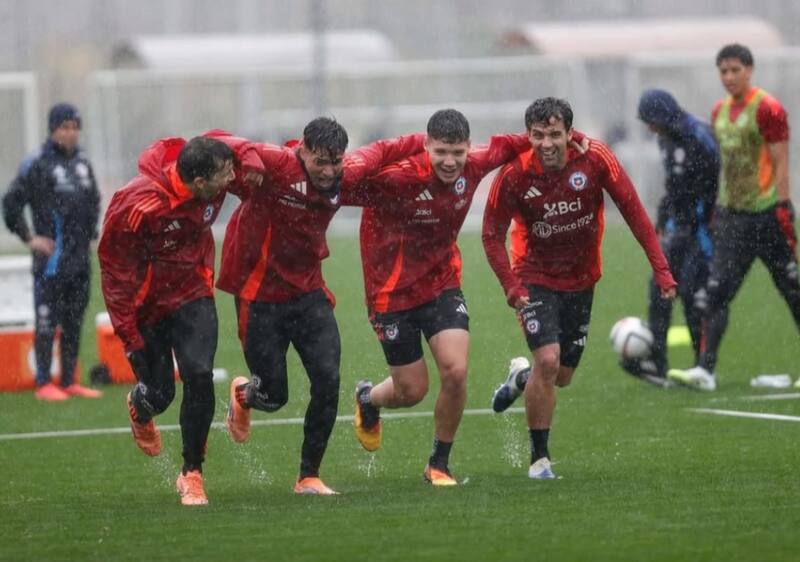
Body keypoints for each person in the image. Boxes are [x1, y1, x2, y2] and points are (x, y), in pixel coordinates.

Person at [345, 108, 575, 486]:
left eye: (457, 153)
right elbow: (339, 185)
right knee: (411, 390)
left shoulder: (476, 164)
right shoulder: (397, 178)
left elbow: (515, 142)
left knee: (455, 371)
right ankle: (370, 398)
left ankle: (438, 464)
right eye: (441, 153)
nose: (450, 162)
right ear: (426, 147)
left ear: (469, 148)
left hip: (441, 285)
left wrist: (559, 137)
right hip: (391, 294)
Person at [218, 117, 426, 496]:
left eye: (336, 162)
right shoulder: (276, 164)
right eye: (321, 162)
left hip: (309, 294)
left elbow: (382, 151)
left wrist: (424, 140)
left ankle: (308, 476)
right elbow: (214, 139)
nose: (329, 171)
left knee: (328, 381)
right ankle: (244, 394)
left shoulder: (345, 172)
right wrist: (247, 156)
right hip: (259, 297)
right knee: (273, 396)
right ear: (303, 152)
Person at [483, 97, 676, 479]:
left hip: (581, 278)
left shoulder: (595, 158)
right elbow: (491, 235)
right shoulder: (513, 174)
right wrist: (510, 284)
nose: (547, 143)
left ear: (570, 134)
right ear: (529, 136)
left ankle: (521, 379)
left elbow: (635, 212)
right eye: (538, 136)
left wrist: (662, 270)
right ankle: (539, 460)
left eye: (555, 134)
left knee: (562, 376)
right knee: (549, 360)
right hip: (533, 276)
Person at [98, 132, 263, 505]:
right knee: (161, 394)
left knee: (200, 375)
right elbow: (114, 271)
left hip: (192, 293)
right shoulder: (138, 204)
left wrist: (250, 158)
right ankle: (142, 406)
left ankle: (191, 473)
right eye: (225, 176)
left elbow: (225, 140)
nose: (231, 179)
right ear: (200, 182)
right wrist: (127, 333)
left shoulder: (215, 175)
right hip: (145, 307)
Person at [667, 44, 800, 391]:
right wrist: (717, 207)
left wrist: (784, 206)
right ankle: (705, 370)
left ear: (749, 70)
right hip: (733, 219)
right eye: (723, 71)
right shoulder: (719, 111)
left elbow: (781, 159)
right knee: (716, 293)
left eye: (735, 70)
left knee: (792, 290)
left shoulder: (768, 108)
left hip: (768, 216)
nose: (728, 77)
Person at [2, 103, 102, 401]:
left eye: (74, 127)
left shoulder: (84, 163)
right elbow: (10, 203)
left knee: (74, 320)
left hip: (80, 260)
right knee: (47, 322)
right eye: (64, 127)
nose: (70, 133)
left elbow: (94, 200)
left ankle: (70, 380)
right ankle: (44, 382)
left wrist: (92, 235)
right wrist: (29, 237)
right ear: (53, 129)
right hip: (51, 262)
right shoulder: (37, 163)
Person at [619, 89, 719, 387]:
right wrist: (664, 218)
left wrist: (700, 221)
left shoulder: (700, 136)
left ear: (665, 115)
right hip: (677, 228)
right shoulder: (664, 139)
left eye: (652, 121)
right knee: (660, 288)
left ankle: (702, 366)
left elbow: (710, 184)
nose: (650, 128)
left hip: (701, 229)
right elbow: (673, 184)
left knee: (692, 294)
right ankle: (658, 362)